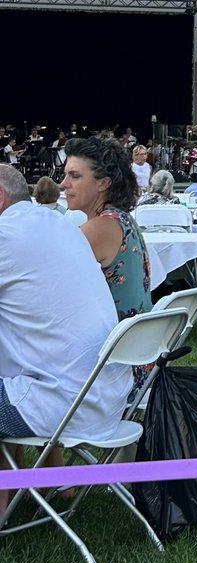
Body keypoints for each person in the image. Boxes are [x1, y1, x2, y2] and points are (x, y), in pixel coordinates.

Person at [0, 166, 132, 510]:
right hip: (105, 396)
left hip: (63, 403)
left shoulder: (6, 234)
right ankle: (40, 486)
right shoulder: (60, 226)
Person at [62, 136, 151, 321]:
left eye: (75, 176)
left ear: (103, 183)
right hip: (133, 338)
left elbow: (50, 283)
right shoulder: (122, 219)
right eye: (65, 175)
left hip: (110, 342)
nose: (64, 183)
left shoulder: (100, 228)